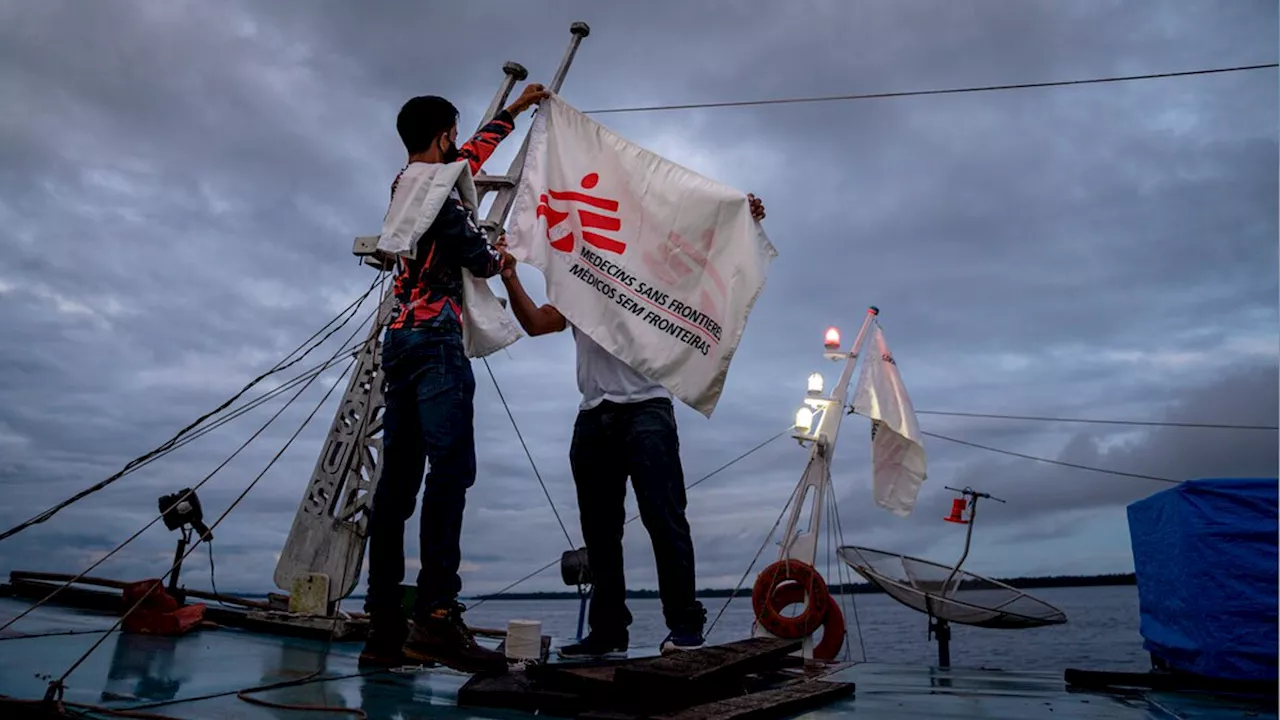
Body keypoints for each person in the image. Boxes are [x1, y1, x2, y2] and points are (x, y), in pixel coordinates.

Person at [498, 195, 767, 658]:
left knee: (665, 520)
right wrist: (509, 276)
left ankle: (684, 626)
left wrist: (737, 219)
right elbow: (540, 323)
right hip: (592, 416)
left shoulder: (653, 272)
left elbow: (704, 259)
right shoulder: (578, 283)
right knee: (601, 534)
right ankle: (608, 632)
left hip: (647, 412)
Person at [359, 83, 549, 673]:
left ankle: (384, 629)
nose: (458, 145)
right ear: (442, 134)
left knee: (395, 486)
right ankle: (437, 615)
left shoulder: (406, 181)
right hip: (438, 340)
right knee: (451, 469)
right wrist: (499, 261)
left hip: (399, 339)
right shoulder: (439, 193)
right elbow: (469, 248)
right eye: (453, 134)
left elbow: (469, 157)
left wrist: (512, 114)